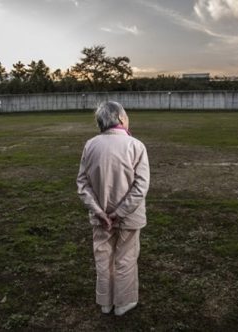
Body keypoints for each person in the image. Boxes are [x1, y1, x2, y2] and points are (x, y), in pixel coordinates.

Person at [76, 101, 150, 316]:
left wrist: (99, 212)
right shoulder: (136, 145)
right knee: (126, 258)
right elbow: (141, 186)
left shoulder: (90, 145)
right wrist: (119, 213)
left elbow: (82, 184)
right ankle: (123, 302)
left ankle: (105, 301)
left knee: (103, 257)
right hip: (129, 216)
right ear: (119, 118)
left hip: (100, 217)